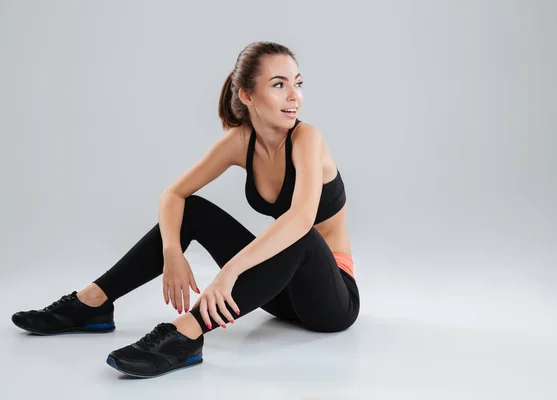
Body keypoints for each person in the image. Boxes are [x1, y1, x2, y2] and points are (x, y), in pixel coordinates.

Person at [11, 41, 360, 378]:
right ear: (247, 95)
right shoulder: (241, 142)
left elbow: (300, 219)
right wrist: (172, 251)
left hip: (330, 300)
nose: (294, 96)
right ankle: (92, 304)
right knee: (191, 210)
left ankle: (187, 334)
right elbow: (173, 194)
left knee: (302, 237)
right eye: (279, 84)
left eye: (297, 83)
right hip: (278, 294)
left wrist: (229, 272)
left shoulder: (306, 139)